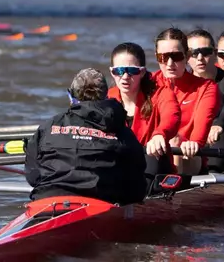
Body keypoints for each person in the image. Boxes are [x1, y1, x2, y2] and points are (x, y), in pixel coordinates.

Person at [24, 68, 148, 205]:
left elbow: (32, 176)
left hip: (46, 201)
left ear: (70, 97)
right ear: (106, 97)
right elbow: (137, 188)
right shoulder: (122, 133)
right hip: (100, 204)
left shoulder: (48, 127)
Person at [106, 42, 181, 178]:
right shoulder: (106, 98)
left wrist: (160, 134)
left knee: (152, 157)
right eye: (119, 71)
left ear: (142, 72)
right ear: (112, 72)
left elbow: (172, 115)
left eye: (132, 71)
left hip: (152, 162)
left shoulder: (161, 93)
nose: (125, 77)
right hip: (118, 165)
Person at [153, 27, 220, 175]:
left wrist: (193, 142)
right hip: (153, 152)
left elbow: (200, 132)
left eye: (176, 57)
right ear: (156, 57)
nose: (170, 63)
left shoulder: (206, 87)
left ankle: (173, 191)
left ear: (187, 55)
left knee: (175, 140)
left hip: (188, 156)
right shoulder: (149, 83)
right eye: (163, 57)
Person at [186, 28, 224, 172]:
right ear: (186, 56)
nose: (199, 58)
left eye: (205, 52)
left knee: (221, 133)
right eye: (193, 53)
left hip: (220, 147)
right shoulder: (179, 84)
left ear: (214, 53)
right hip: (188, 148)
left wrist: (219, 124)